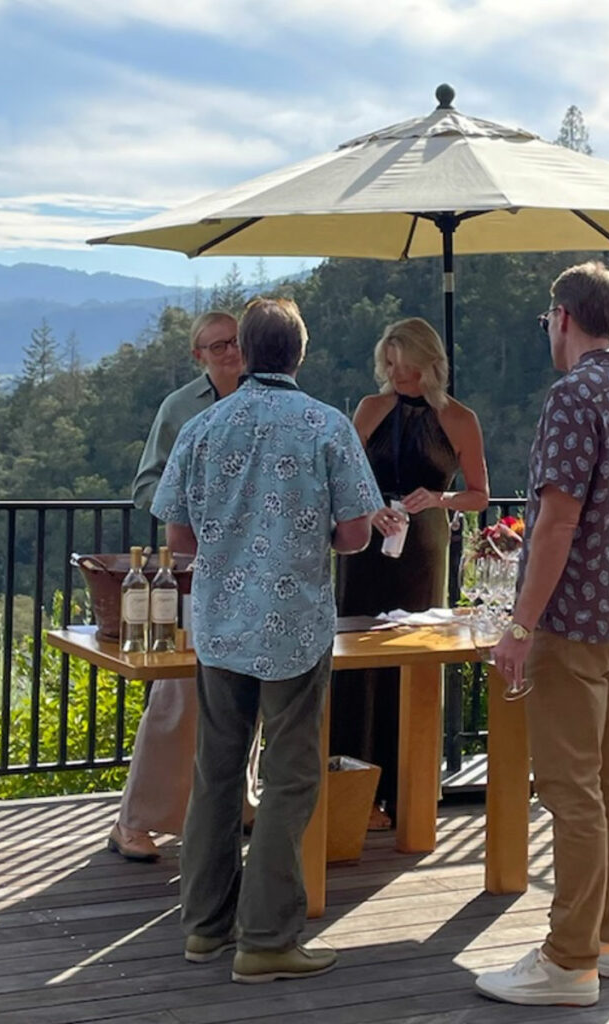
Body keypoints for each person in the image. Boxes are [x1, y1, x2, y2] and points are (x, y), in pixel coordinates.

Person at [151, 297, 383, 983]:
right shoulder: (326, 425)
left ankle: (204, 928)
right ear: (300, 354)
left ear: (246, 353)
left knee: (216, 772)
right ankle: (267, 938)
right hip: (295, 628)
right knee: (289, 777)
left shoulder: (204, 426)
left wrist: (230, 547)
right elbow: (355, 534)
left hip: (220, 625)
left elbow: (177, 536)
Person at [475, 262, 609, 1008]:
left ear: (562, 316)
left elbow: (555, 520)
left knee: (570, 791)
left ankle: (567, 961)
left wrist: (521, 624)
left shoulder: (572, 396)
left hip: (572, 624)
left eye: (546, 320)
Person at [331, 317, 489, 828]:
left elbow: (479, 495)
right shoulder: (370, 408)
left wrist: (439, 499)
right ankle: (352, 788)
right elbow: (343, 474)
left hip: (423, 545)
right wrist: (371, 507)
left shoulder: (459, 419)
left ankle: (408, 788)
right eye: (391, 365)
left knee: (415, 653)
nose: (398, 376)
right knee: (355, 656)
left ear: (430, 364)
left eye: (407, 367)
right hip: (368, 541)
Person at [107, 310, 245, 862]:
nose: (229, 351)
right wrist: (193, 498)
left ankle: (237, 802)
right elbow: (147, 485)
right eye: (217, 345)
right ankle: (135, 820)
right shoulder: (180, 408)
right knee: (177, 695)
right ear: (198, 355)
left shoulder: (268, 398)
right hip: (190, 567)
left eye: (236, 341)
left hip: (251, 567)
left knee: (243, 693)